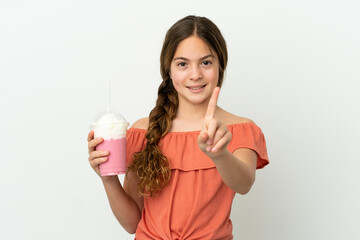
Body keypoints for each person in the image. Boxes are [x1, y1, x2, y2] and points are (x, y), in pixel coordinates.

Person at [87, 15, 269, 239]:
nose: (195, 75)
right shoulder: (142, 132)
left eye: (206, 62)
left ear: (220, 65)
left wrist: (220, 154)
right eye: (183, 64)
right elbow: (132, 223)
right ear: (169, 70)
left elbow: (244, 184)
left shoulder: (238, 129)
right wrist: (108, 178)